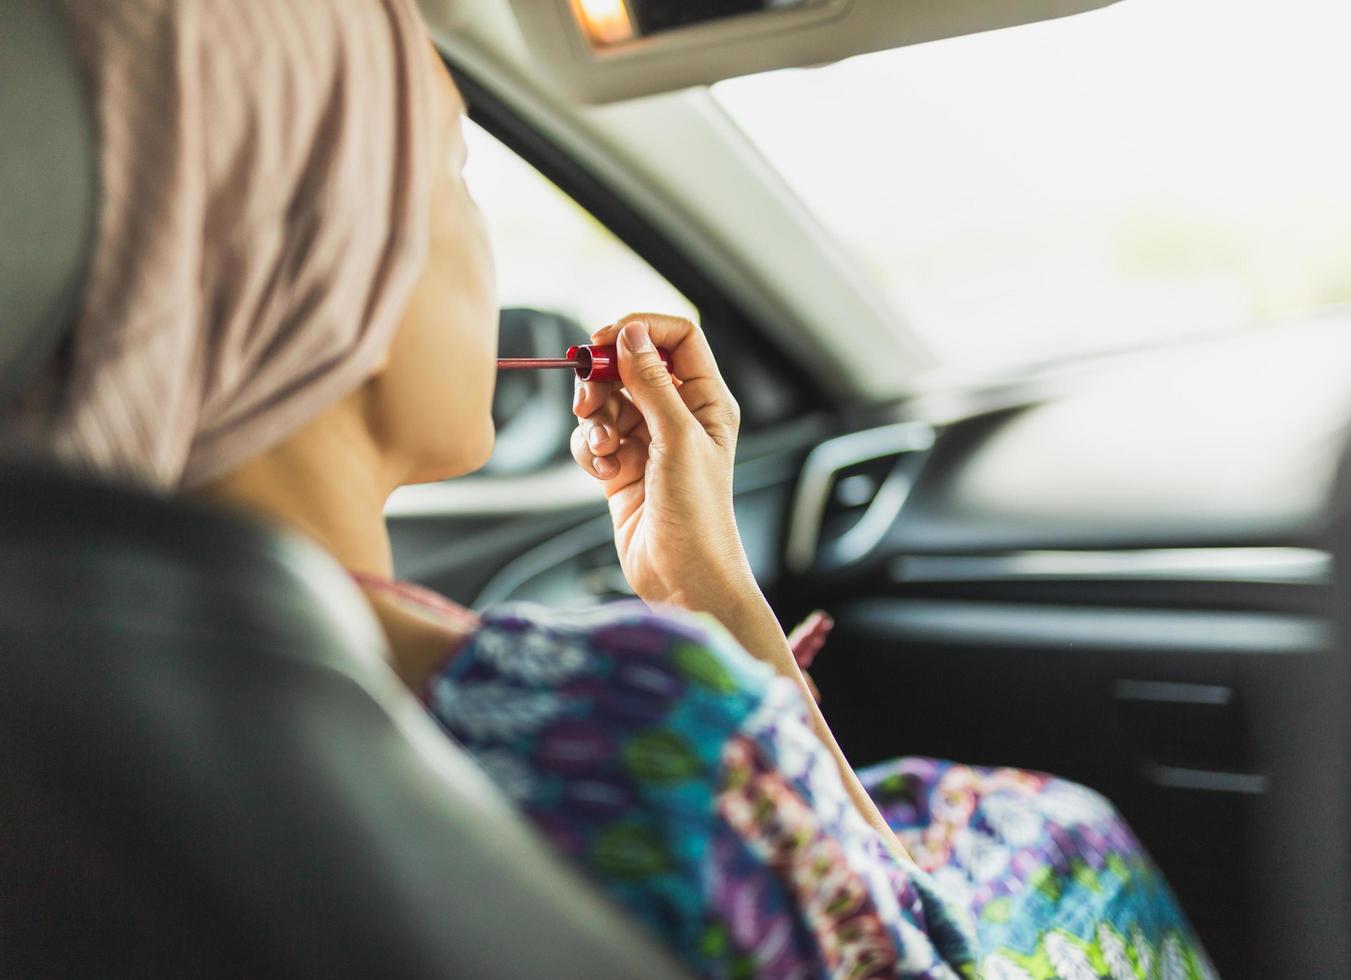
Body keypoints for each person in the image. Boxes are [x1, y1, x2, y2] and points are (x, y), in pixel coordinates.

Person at [23, 1, 1213, 977]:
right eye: (450, 164)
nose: (481, 239)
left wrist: (696, 586)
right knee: (1057, 833)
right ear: (330, 253)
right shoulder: (632, 726)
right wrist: (727, 636)